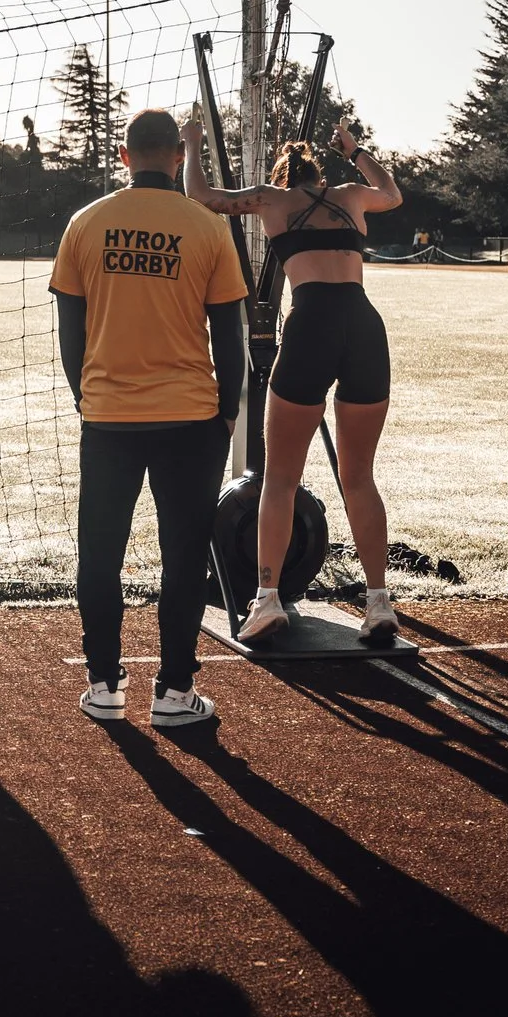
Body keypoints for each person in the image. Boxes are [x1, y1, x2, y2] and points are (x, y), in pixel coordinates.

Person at [50, 108, 246, 726]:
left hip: (109, 418)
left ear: (125, 155)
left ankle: (105, 685)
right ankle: (175, 693)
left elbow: (69, 333)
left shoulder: (85, 223)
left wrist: (90, 398)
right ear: (178, 158)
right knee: (184, 555)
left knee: (99, 553)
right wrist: (228, 414)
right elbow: (230, 337)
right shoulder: (207, 226)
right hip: (192, 418)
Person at [184, 118, 404, 644]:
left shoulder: (270, 200)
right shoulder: (351, 194)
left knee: (280, 479)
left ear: (284, 177)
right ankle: (379, 605)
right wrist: (356, 150)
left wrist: (192, 145)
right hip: (364, 327)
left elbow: (201, 195)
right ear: (318, 172)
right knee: (359, 478)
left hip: (310, 326)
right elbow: (392, 195)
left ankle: (266, 601)